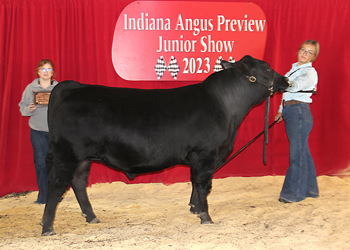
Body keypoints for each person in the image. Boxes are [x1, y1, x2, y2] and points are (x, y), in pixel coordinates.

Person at [275, 40, 320, 203]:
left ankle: (294, 193)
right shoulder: (294, 69)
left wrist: (277, 82)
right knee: (303, 152)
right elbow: (287, 94)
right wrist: (281, 110)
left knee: (297, 154)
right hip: (292, 110)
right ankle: (310, 189)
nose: (304, 54)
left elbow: (293, 87)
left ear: (314, 57)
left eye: (309, 52)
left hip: (299, 112)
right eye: (303, 50)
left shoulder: (309, 73)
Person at [19, 59, 58, 204]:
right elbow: (22, 107)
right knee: (41, 163)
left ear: (53, 73)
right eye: (43, 69)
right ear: (38, 72)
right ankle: (43, 196)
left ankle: (54, 195)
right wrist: (28, 109)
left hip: (56, 132)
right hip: (37, 131)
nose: (46, 72)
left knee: (55, 163)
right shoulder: (30, 88)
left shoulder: (58, 89)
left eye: (48, 69)